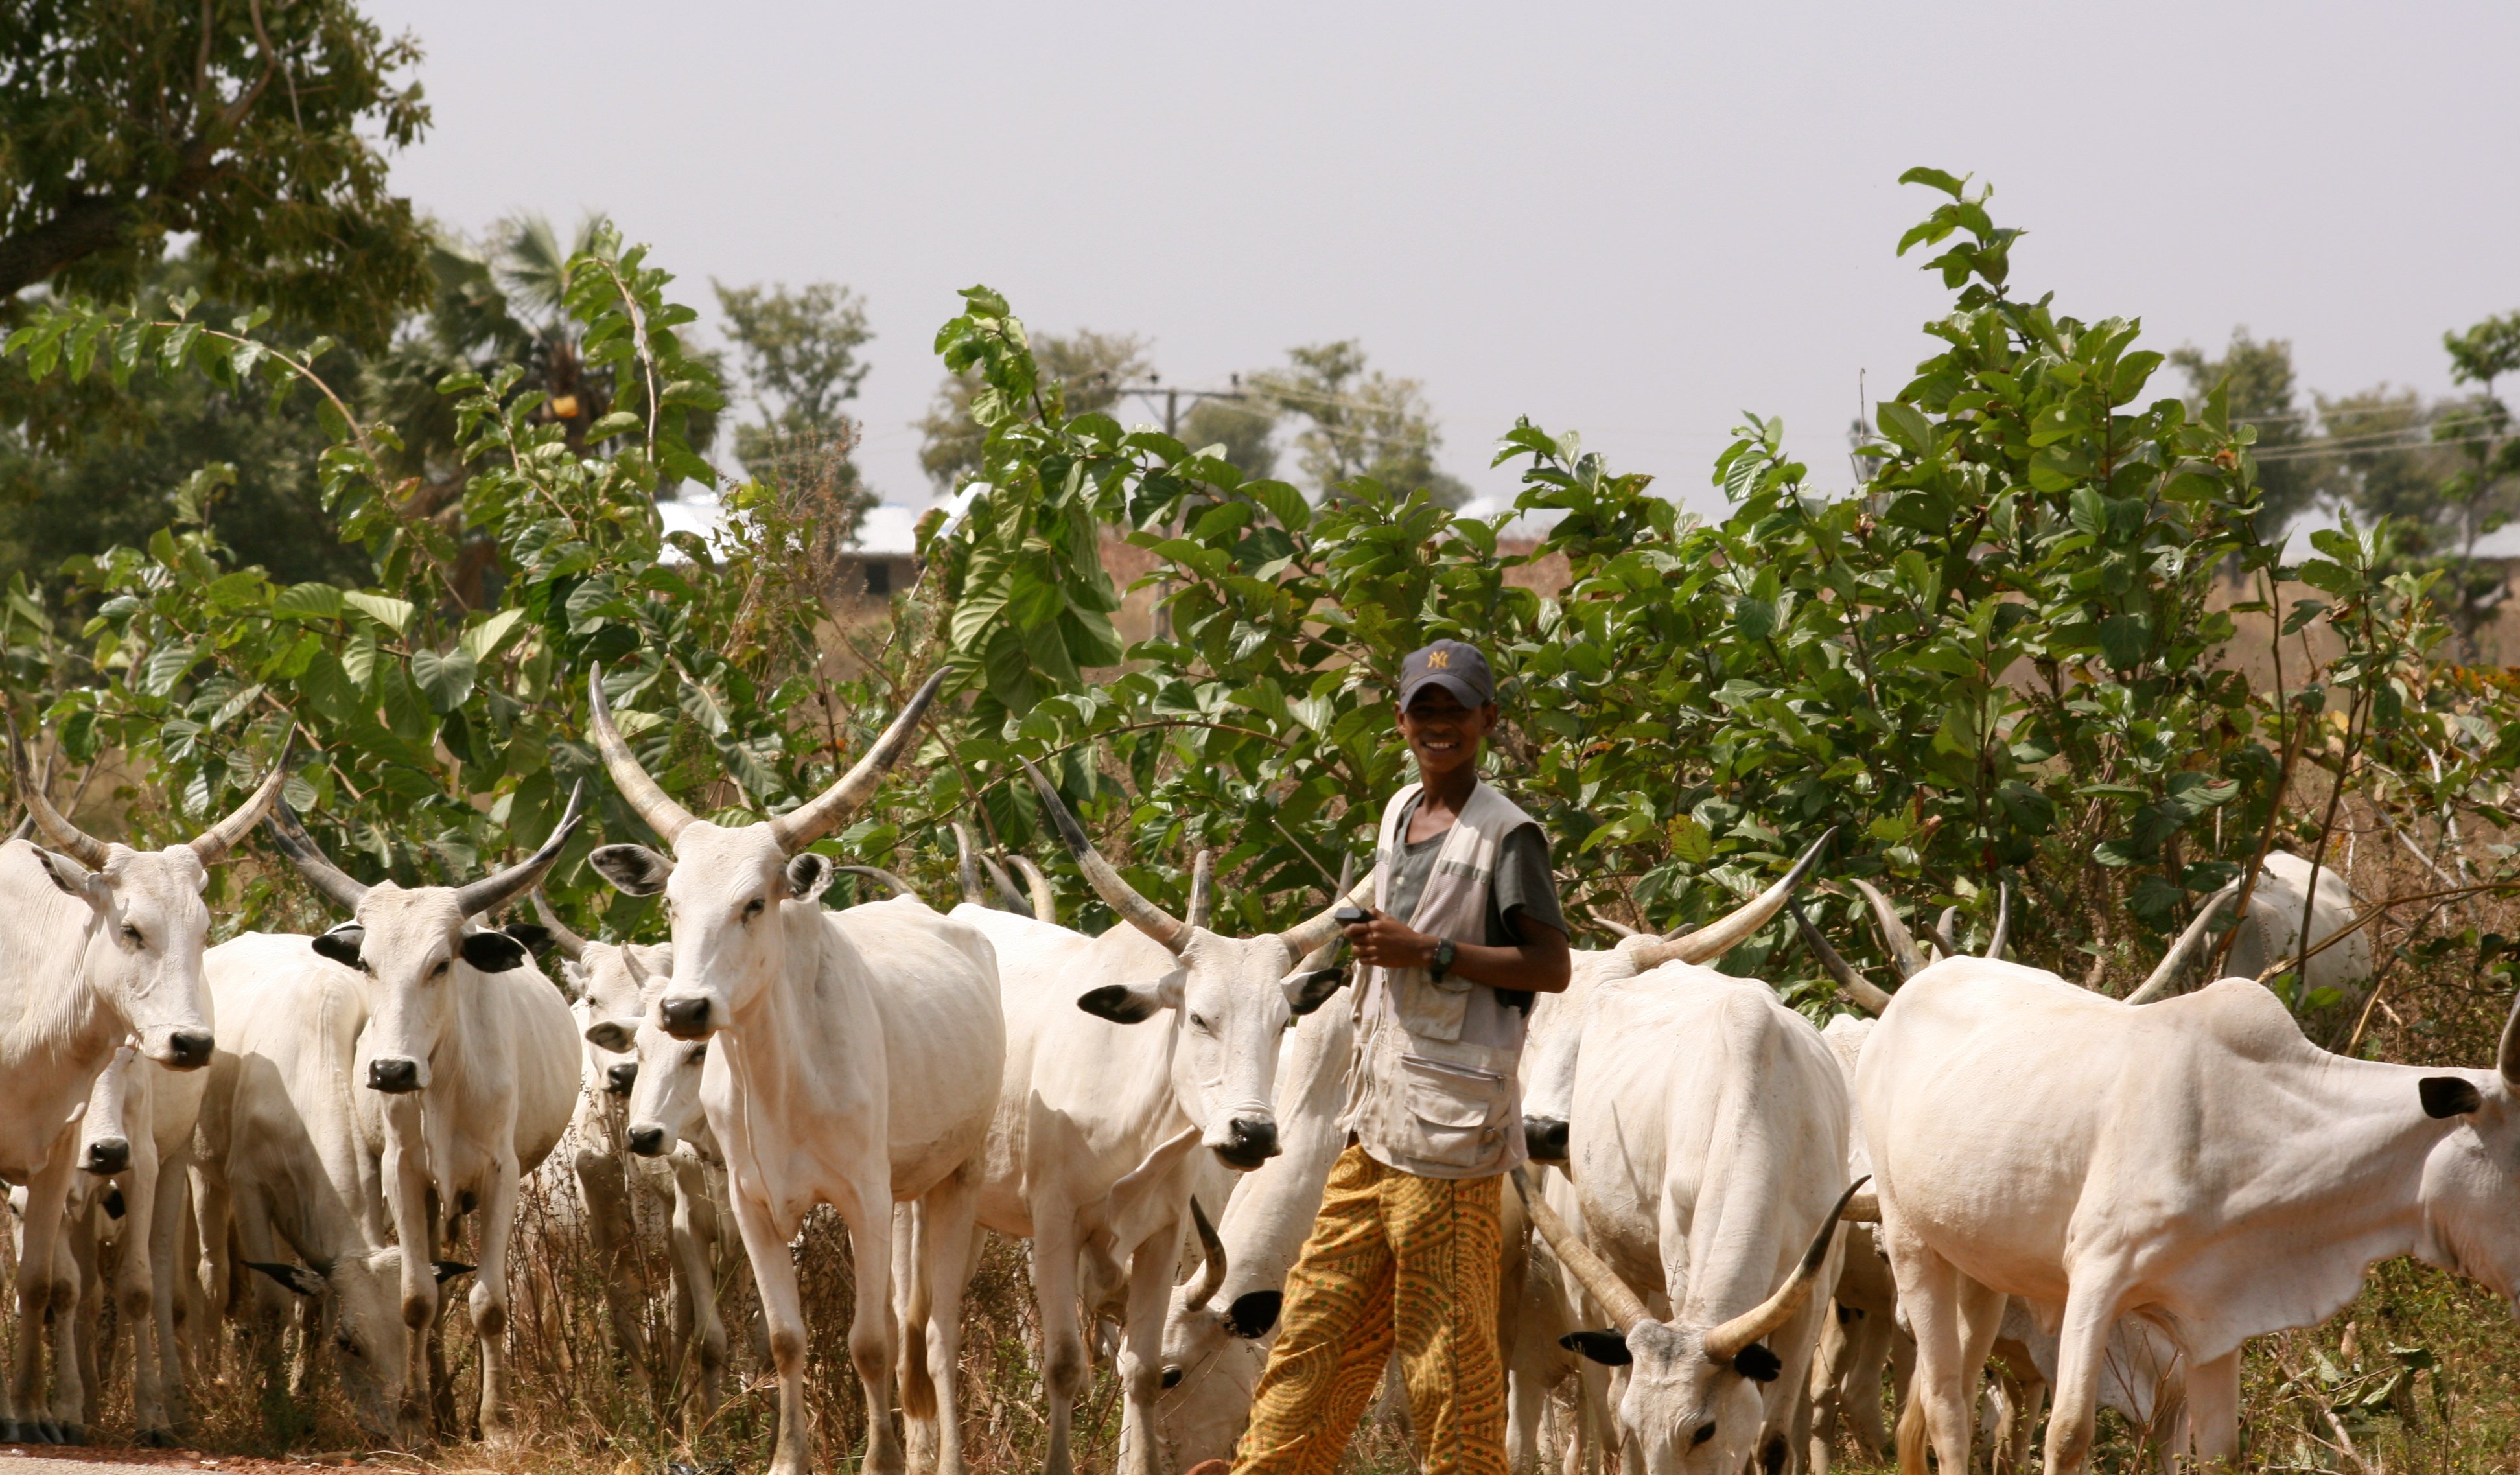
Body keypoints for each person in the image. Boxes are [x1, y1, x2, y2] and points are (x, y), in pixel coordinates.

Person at [1214, 638, 1572, 1475]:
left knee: (1449, 1366)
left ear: (1488, 719)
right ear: (1400, 718)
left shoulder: (1509, 835)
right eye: (1425, 709)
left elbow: (1549, 965)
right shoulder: (1398, 813)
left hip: (1451, 1147)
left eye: (1457, 709)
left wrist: (1430, 952)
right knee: (1313, 1328)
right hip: (1373, 1130)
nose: (1439, 725)